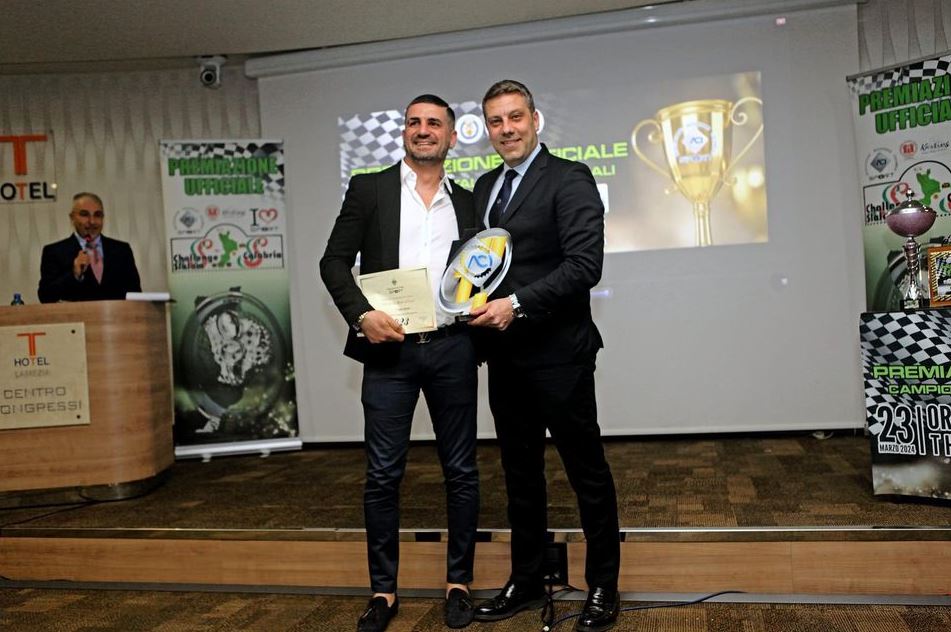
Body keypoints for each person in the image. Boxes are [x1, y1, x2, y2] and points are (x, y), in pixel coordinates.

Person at [319, 94, 480, 632]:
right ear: (404, 132)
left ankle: (459, 584)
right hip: (390, 351)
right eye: (414, 122)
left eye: (434, 123)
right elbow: (333, 261)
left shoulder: (470, 200)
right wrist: (361, 315)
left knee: (461, 470)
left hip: (453, 346)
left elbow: (486, 269)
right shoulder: (371, 188)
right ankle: (383, 592)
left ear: (452, 137)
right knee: (383, 474)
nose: (423, 130)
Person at [468, 80, 621, 632]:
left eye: (515, 117)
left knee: (586, 472)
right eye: (495, 121)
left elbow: (584, 266)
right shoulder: (485, 186)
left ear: (535, 120)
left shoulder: (570, 177)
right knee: (520, 476)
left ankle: (603, 586)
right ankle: (527, 579)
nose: (506, 129)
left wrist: (515, 305)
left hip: (559, 355)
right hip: (504, 357)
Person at [38, 192, 141, 303]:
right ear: (72, 218)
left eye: (97, 215)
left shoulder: (122, 250)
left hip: (116, 314)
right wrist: (74, 274)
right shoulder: (54, 252)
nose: (92, 221)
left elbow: (135, 294)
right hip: (77, 314)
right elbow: (45, 297)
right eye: (84, 214)